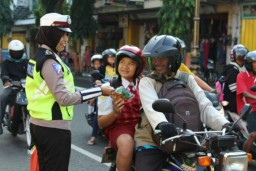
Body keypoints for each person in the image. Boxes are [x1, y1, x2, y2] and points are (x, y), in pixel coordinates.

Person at [25, 13, 114, 171]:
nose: (66, 39)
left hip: (39, 124)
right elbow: (64, 98)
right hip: (53, 129)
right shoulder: (49, 61)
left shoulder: (39, 57)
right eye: (62, 34)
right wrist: (99, 91)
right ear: (51, 33)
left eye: (67, 34)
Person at [134, 35, 230, 171]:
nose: (156, 62)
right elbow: (151, 105)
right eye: (154, 58)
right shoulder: (148, 81)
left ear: (174, 58)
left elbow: (204, 106)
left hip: (189, 137)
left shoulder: (187, 79)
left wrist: (225, 124)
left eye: (162, 58)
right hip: (151, 138)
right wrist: (162, 123)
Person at [98, 45, 146, 171]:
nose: (125, 66)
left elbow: (183, 75)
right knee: (126, 143)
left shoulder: (145, 84)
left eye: (130, 63)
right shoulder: (109, 88)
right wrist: (115, 113)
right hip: (120, 128)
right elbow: (101, 123)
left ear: (138, 68)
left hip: (143, 127)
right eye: (122, 62)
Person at [0, 39, 28, 135]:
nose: (16, 54)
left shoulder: (26, 62)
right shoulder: (6, 62)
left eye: (18, 52)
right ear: (10, 52)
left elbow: (32, 73)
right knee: (2, 98)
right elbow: (4, 73)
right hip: (11, 87)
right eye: (14, 52)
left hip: (24, 87)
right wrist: (6, 80)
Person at [221, 44, 248, 113]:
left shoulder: (235, 69)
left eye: (242, 58)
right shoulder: (232, 70)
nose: (241, 61)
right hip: (231, 106)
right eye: (239, 58)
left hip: (232, 104)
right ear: (234, 58)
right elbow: (233, 88)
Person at [236, 50, 256, 133]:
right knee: (253, 134)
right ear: (249, 64)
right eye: (255, 62)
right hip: (248, 110)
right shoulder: (242, 75)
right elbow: (244, 93)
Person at [87, 54, 103, 145]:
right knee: (98, 111)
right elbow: (94, 83)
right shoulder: (95, 73)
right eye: (96, 63)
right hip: (98, 92)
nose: (97, 65)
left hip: (110, 91)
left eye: (99, 63)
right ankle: (93, 136)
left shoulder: (109, 69)